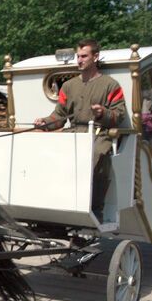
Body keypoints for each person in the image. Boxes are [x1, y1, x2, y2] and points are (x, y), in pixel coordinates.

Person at [33, 39, 127, 218]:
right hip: (74, 133)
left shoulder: (110, 85)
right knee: (49, 154)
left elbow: (119, 115)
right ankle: (54, 203)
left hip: (99, 134)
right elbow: (59, 117)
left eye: (84, 56)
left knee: (97, 154)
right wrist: (44, 123)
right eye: (78, 56)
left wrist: (102, 113)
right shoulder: (69, 86)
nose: (80, 60)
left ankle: (95, 208)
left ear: (95, 57)